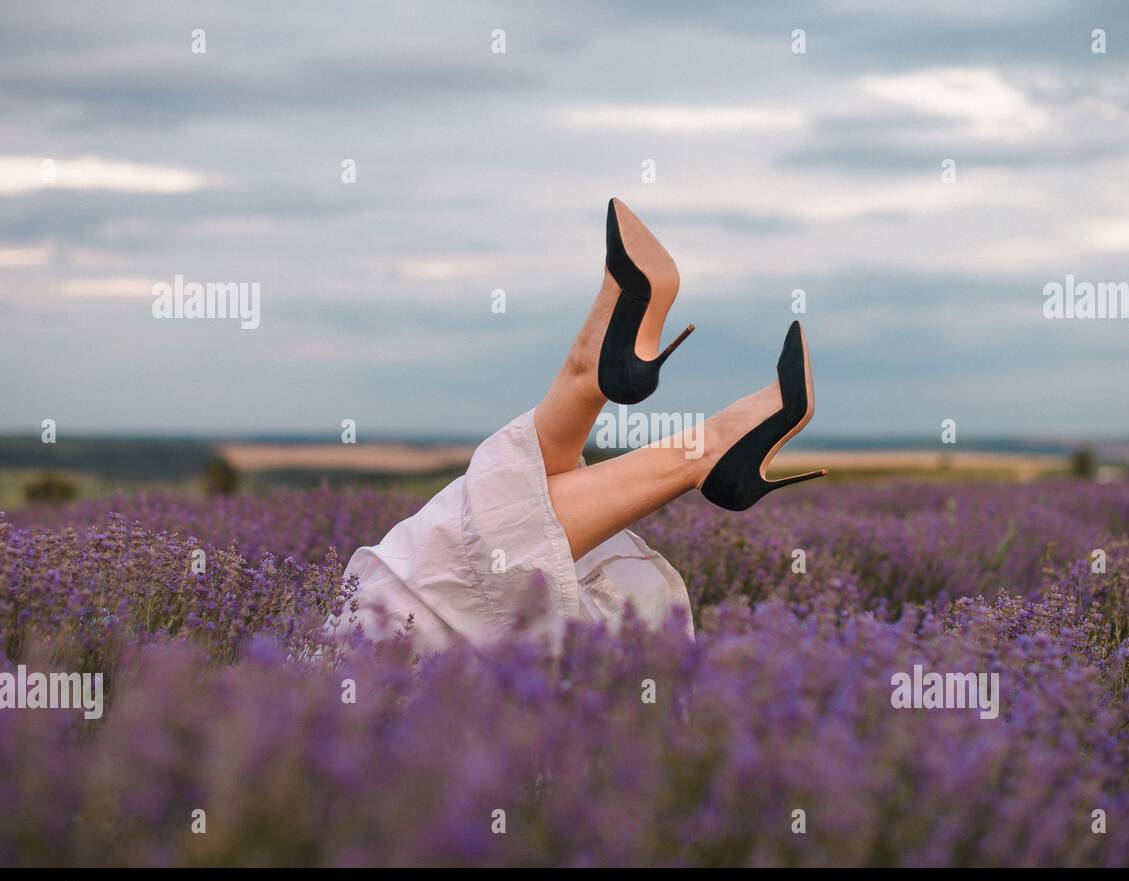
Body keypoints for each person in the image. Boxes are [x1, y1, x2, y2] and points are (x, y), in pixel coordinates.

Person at [342, 199, 826, 652]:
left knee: (417, 584)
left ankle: (603, 379)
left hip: (356, 693)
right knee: (426, 585)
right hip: (379, 716)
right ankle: (696, 439)